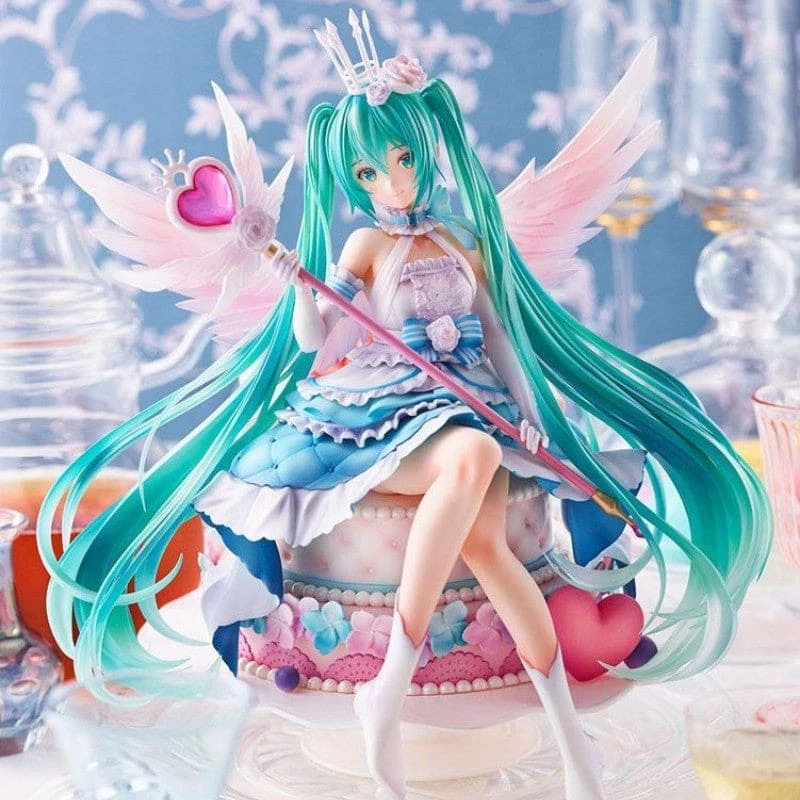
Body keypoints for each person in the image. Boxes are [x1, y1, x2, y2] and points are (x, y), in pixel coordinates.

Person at [37, 11, 771, 800]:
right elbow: (316, 340)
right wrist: (295, 284)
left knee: (488, 547)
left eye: (403, 160)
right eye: (369, 173)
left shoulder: (465, 241)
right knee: (474, 456)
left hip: (473, 401)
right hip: (381, 411)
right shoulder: (363, 248)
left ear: (429, 148)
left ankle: (569, 746)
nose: (391, 182)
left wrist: (533, 416)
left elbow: (501, 338)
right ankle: (391, 676)